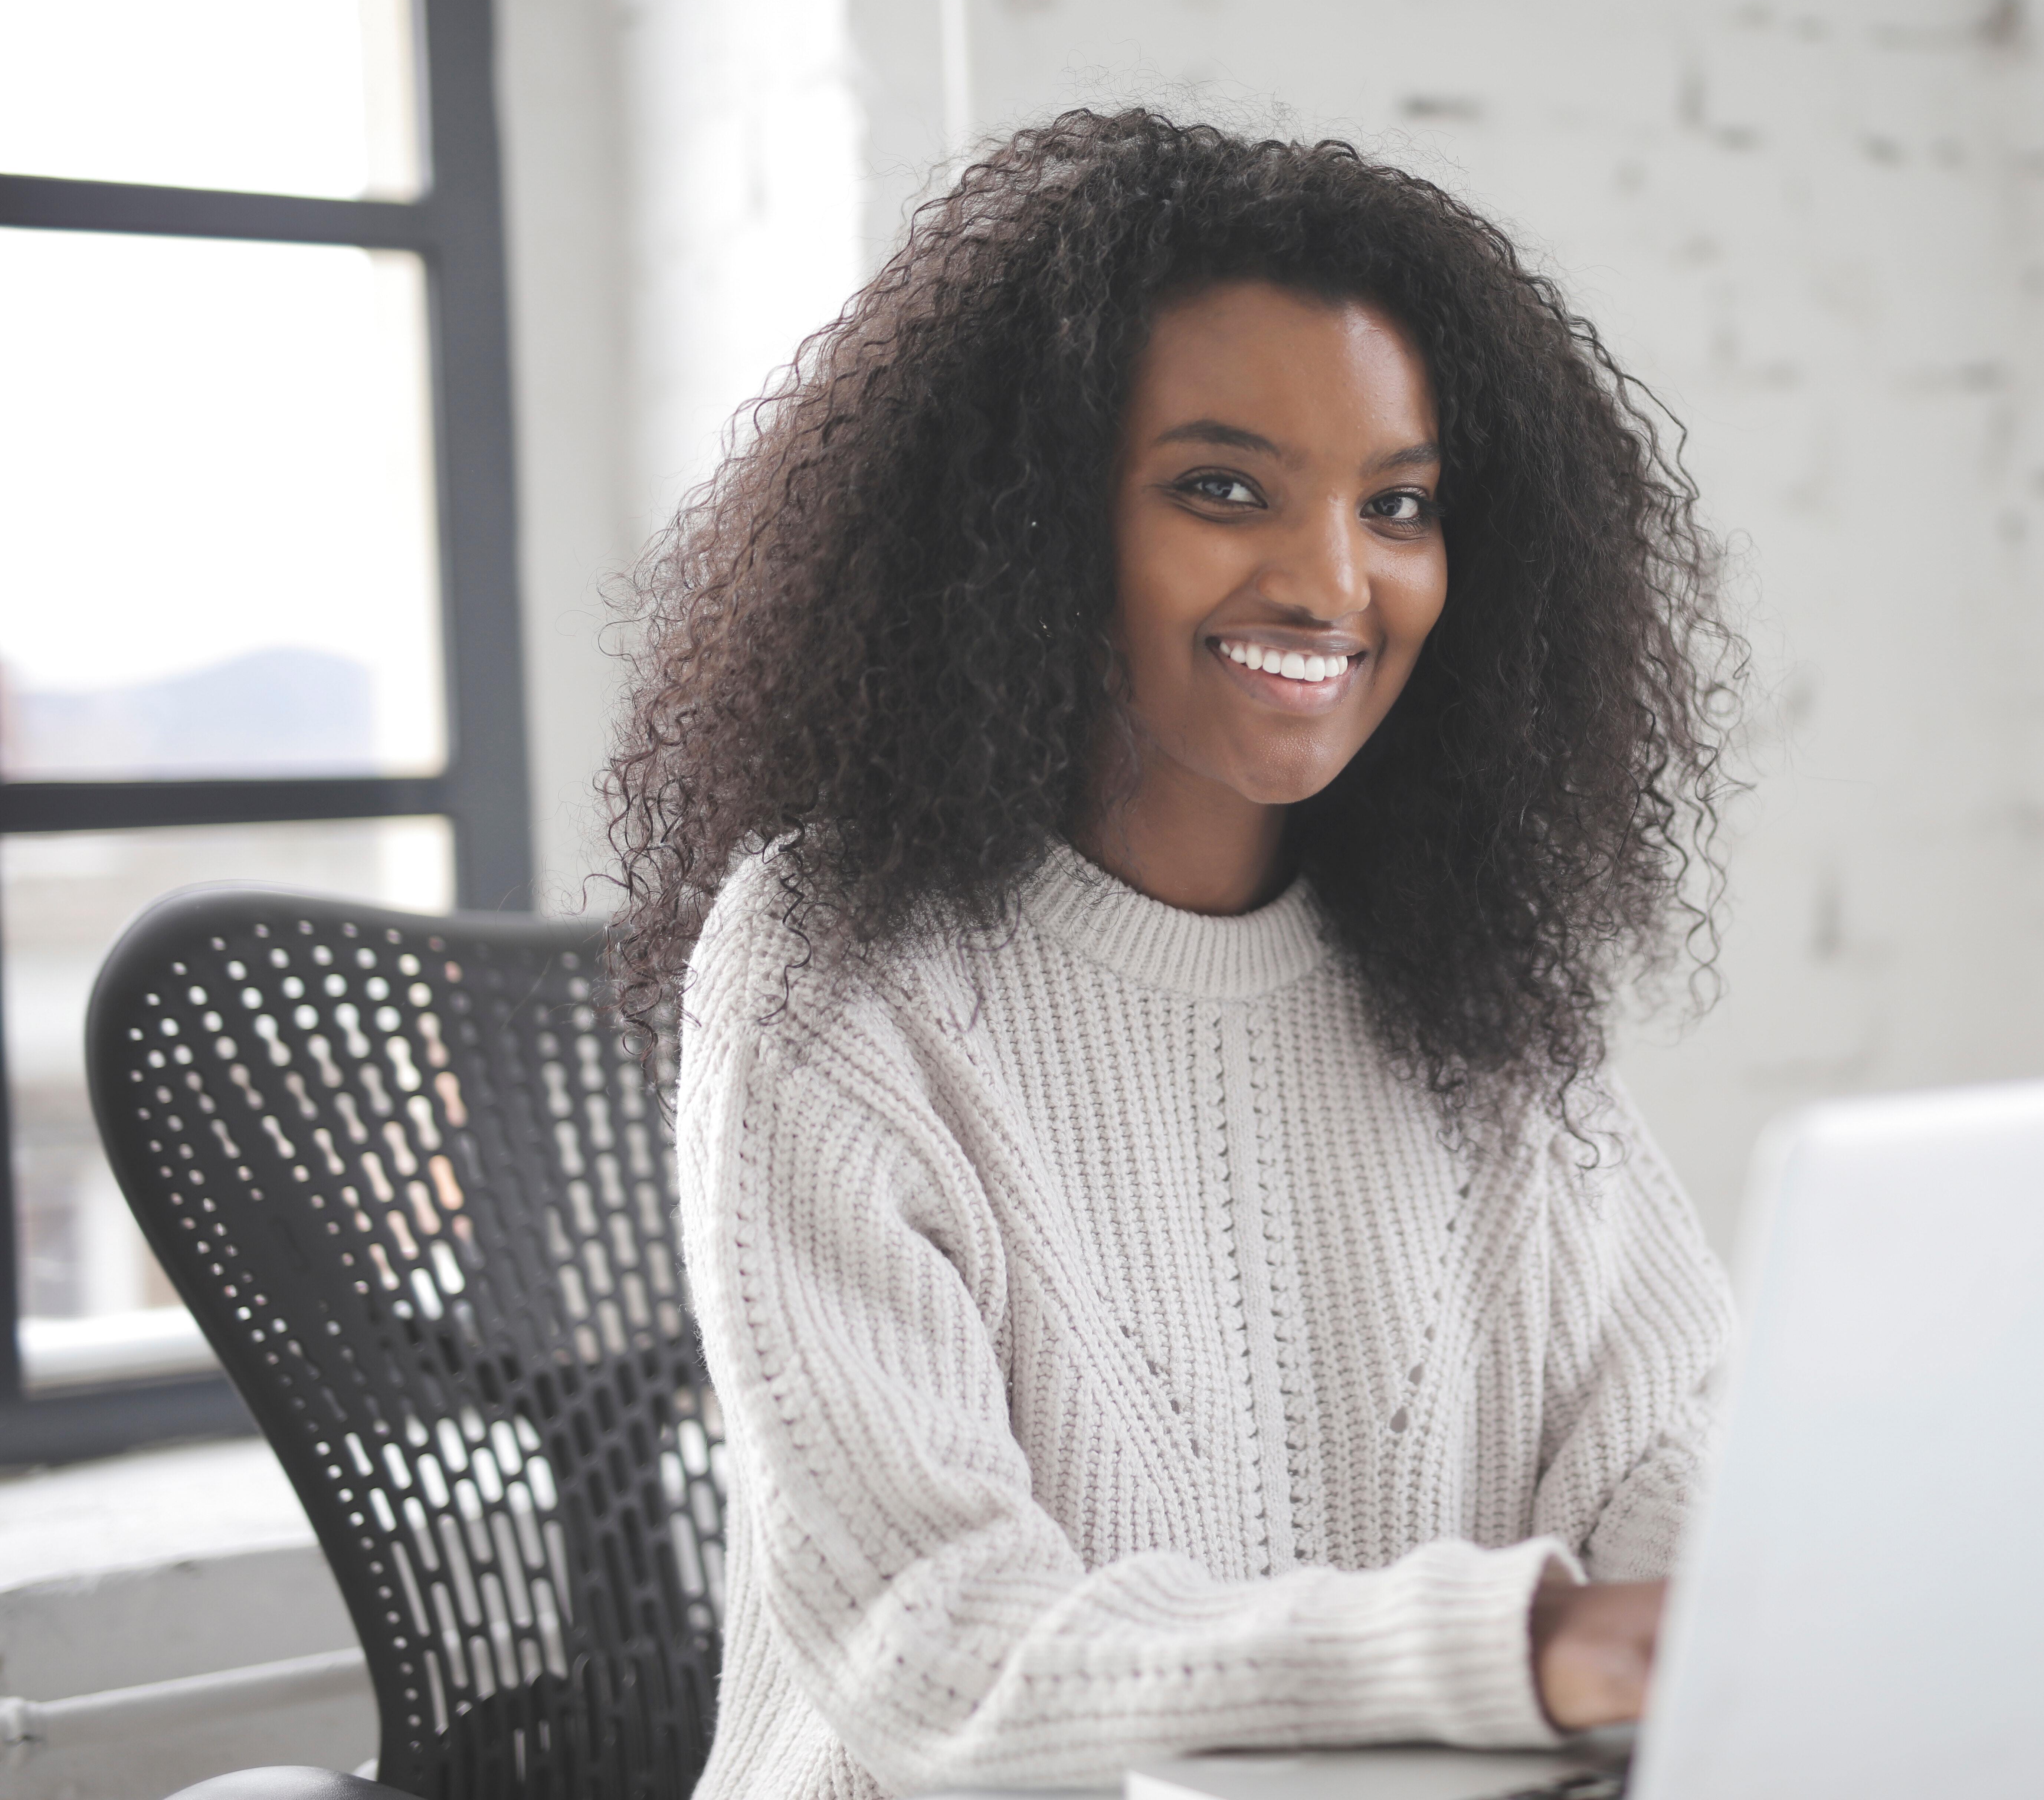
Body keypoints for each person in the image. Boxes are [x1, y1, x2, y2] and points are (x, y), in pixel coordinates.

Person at [606, 108, 1742, 1796]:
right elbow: (935, 1647)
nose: (1332, 582)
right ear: (1028, 524)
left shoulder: (1474, 983)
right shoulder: (835, 964)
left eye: (1403, 502)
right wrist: (1514, 1650)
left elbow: (1670, 1454)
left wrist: (1753, 1595)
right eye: (1225, 489)